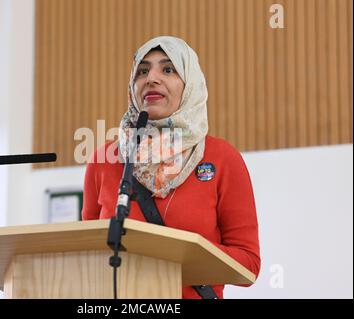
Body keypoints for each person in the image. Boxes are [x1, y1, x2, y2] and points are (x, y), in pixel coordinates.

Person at [81, 36, 260, 299]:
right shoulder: (103, 159)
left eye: (168, 69)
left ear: (190, 86)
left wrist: (174, 251)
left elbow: (249, 265)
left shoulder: (222, 158)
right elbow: (87, 256)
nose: (151, 78)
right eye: (142, 71)